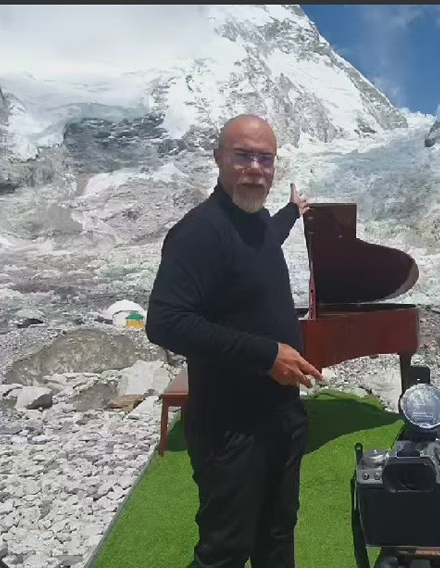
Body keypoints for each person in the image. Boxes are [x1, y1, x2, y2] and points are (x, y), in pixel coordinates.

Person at [145, 114, 325, 568]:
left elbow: (266, 240)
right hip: (231, 427)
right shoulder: (200, 232)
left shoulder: (256, 219)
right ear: (218, 159)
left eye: (266, 159)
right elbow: (165, 322)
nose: (256, 169)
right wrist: (266, 353)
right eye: (243, 156)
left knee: (278, 535)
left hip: (281, 415)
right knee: (225, 551)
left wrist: (292, 212)